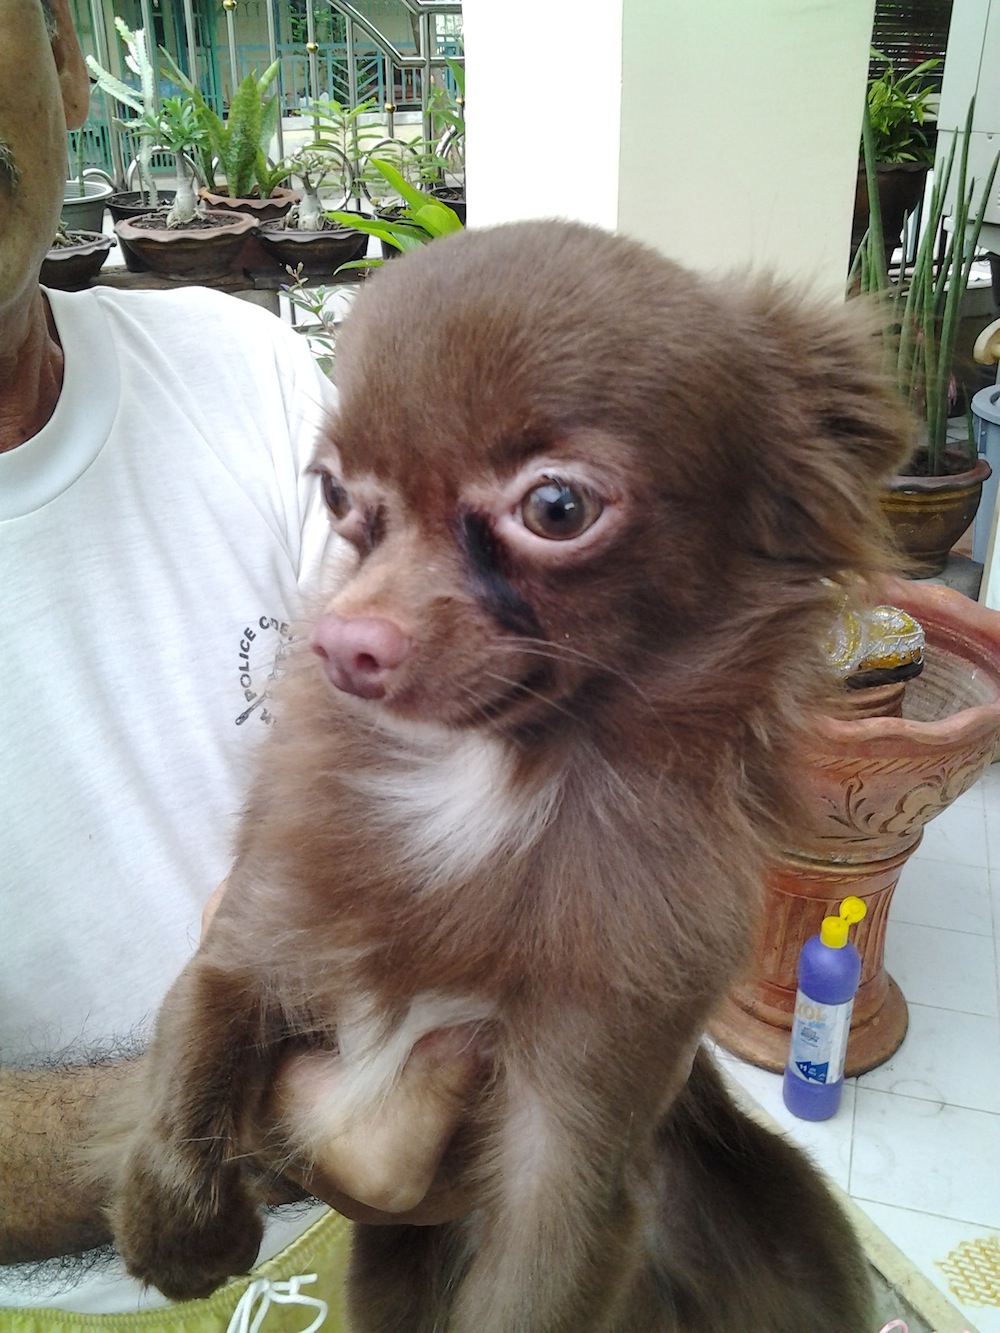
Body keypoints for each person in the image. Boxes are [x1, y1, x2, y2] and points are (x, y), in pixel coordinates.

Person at [0, 0, 478, 1323]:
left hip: (359, 1235)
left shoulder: (243, 369)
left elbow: (430, 755)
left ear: (62, 58)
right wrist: (241, 1113)